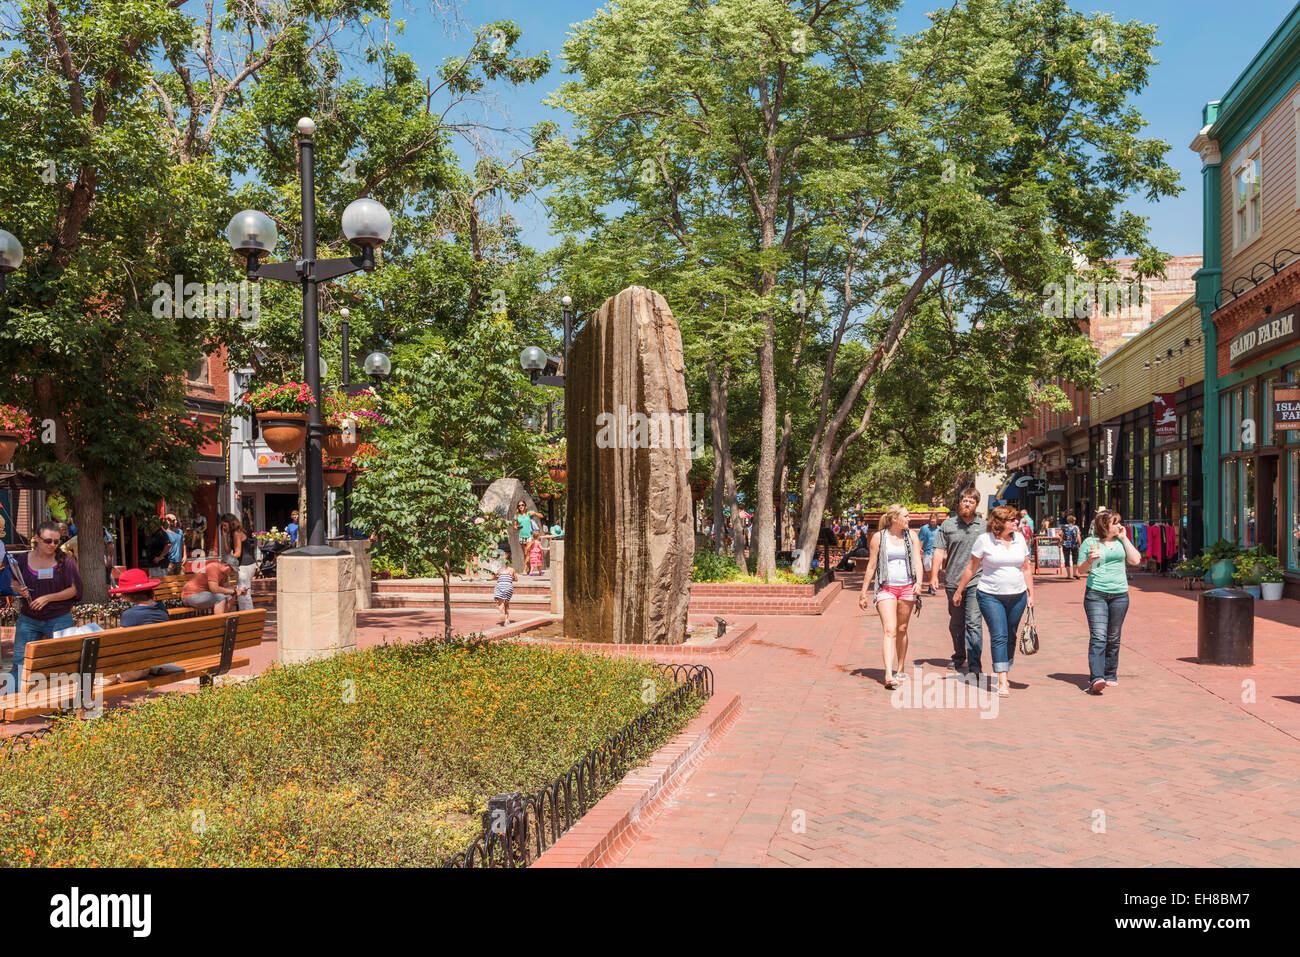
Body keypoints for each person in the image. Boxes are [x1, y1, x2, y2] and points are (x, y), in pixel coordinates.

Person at [953, 505, 1033, 698]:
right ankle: (1002, 679)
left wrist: (1031, 594)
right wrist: (959, 590)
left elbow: (1026, 568)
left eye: (1016, 519)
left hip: (1018, 595)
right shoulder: (984, 540)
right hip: (990, 595)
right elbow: (971, 568)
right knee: (999, 635)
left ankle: (1004, 665)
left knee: (1011, 635)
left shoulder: (1020, 539)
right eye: (1012, 519)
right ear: (999, 523)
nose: (1017, 522)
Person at [7, 522, 83, 693]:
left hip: (59, 618)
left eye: (57, 541)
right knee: (20, 661)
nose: (52, 545)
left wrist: (48, 598)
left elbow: (75, 589)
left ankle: (62, 703)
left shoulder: (66, 561)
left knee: (61, 662)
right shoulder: (22, 559)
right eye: (48, 541)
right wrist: (20, 590)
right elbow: (13, 584)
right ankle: (12, 702)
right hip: (29, 619)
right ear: (36, 538)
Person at [857, 504, 923, 690]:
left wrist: (919, 583)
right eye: (906, 516)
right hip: (886, 588)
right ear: (895, 519)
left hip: (908, 587)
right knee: (890, 630)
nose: (909, 519)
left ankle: (900, 668)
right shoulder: (879, 538)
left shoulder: (912, 537)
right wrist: (863, 593)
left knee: (902, 628)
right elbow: (871, 566)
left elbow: (917, 561)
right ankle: (888, 674)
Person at [1077, 510, 1143, 695]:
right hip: (1096, 594)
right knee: (1099, 636)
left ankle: (1110, 673)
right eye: (1115, 523)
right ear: (1104, 525)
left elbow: (1136, 560)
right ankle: (1097, 678)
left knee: (1114, 636)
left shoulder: (1122, 541)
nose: (1119, 526)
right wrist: (1089, 560)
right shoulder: (1090, 543)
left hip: (1120, 594)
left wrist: (1125, 538)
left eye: (1119, 522)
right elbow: (1080, 570)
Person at [929, 488, 987, 680]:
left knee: (973, 622)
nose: (967, 504)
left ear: (976, 504)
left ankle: (975, 664)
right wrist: (934, 575)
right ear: (959, 503)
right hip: (953, 581)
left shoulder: (984, 526)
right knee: (956, 623)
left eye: (971, 501)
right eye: (964, 501)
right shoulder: (948, 525)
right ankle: (959, 655)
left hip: (976, 581)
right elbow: (938, 551)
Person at [109, 568, 172, 682]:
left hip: (136, 668)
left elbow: (119, 643)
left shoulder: (129, 615)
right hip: (160, 659)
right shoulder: (161, 608)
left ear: (128, 595)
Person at [220, 513, 256, 612]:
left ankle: (248, 618)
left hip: (245, 565)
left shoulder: (237, 532)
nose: (223, 527)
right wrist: (224, 536)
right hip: (242, 566)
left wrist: (225, 561)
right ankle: (244, 617)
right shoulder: (232, 534)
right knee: (242, 593)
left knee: (244, 594)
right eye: (222, 525)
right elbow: (227, 550)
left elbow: (238, 553)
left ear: (230, 523)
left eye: (225, 525)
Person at [917, 512, 940, 592]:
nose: (933, 523)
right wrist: (919, 548)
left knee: (934, 569)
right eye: (931, 521)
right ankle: (931, 583)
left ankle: (932, 586)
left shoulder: (939, 529)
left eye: (934, 521)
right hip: (926, 552)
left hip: (936, 552)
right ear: (929, 520)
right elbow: (919, 539)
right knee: (928, 570)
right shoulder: (924, 528)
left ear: (937, 521)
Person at [1061, 513, 1082, 580]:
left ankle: (1069, 575)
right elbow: (1078, 536)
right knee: (1075, 558)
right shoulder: (1076, 527)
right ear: (1073, 521)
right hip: (1074, 544)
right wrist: (1080, 545)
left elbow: (1060, 534)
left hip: (1066, 544)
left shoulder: (1064, 527)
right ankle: (1075, 573)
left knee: (1066, 559)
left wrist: (1062, 540)